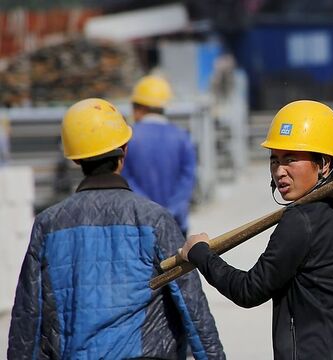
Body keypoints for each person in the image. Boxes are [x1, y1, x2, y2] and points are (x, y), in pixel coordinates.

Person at [180, 100, 333, 359]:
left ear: (323, 164)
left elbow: (248, 290)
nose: (280, 171)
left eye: (290, 159)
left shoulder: (301, 220)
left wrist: (200, 254)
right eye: (274, 160)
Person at [8, 98, 225, 359]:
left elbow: (28, 316)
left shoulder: (48, 224)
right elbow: (191, 305)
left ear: (76, 160)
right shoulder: (154, 218)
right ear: (124, 151)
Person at [122, 75, 196, 237]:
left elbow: (126, 179)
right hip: (176, 225)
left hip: (140, 225)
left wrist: (151, 211)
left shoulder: (129, 137)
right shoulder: (182, 137)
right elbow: (187, 179)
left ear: (139, 107)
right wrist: (171, 211)